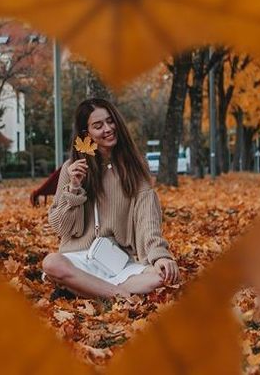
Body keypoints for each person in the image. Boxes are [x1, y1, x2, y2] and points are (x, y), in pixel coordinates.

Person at [42, 98, 179, 298]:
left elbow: (147, 219)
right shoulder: (71, 168)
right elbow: (60, 228)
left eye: (110, 121)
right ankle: (118, 294)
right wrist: (74, 187)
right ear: (85, 133)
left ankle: (86, 290)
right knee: (51, 263)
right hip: (78, 261)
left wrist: (159, 257)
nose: (108, 128)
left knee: (161, 277)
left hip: (119, 263)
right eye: (98, 126)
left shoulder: (134, 167)